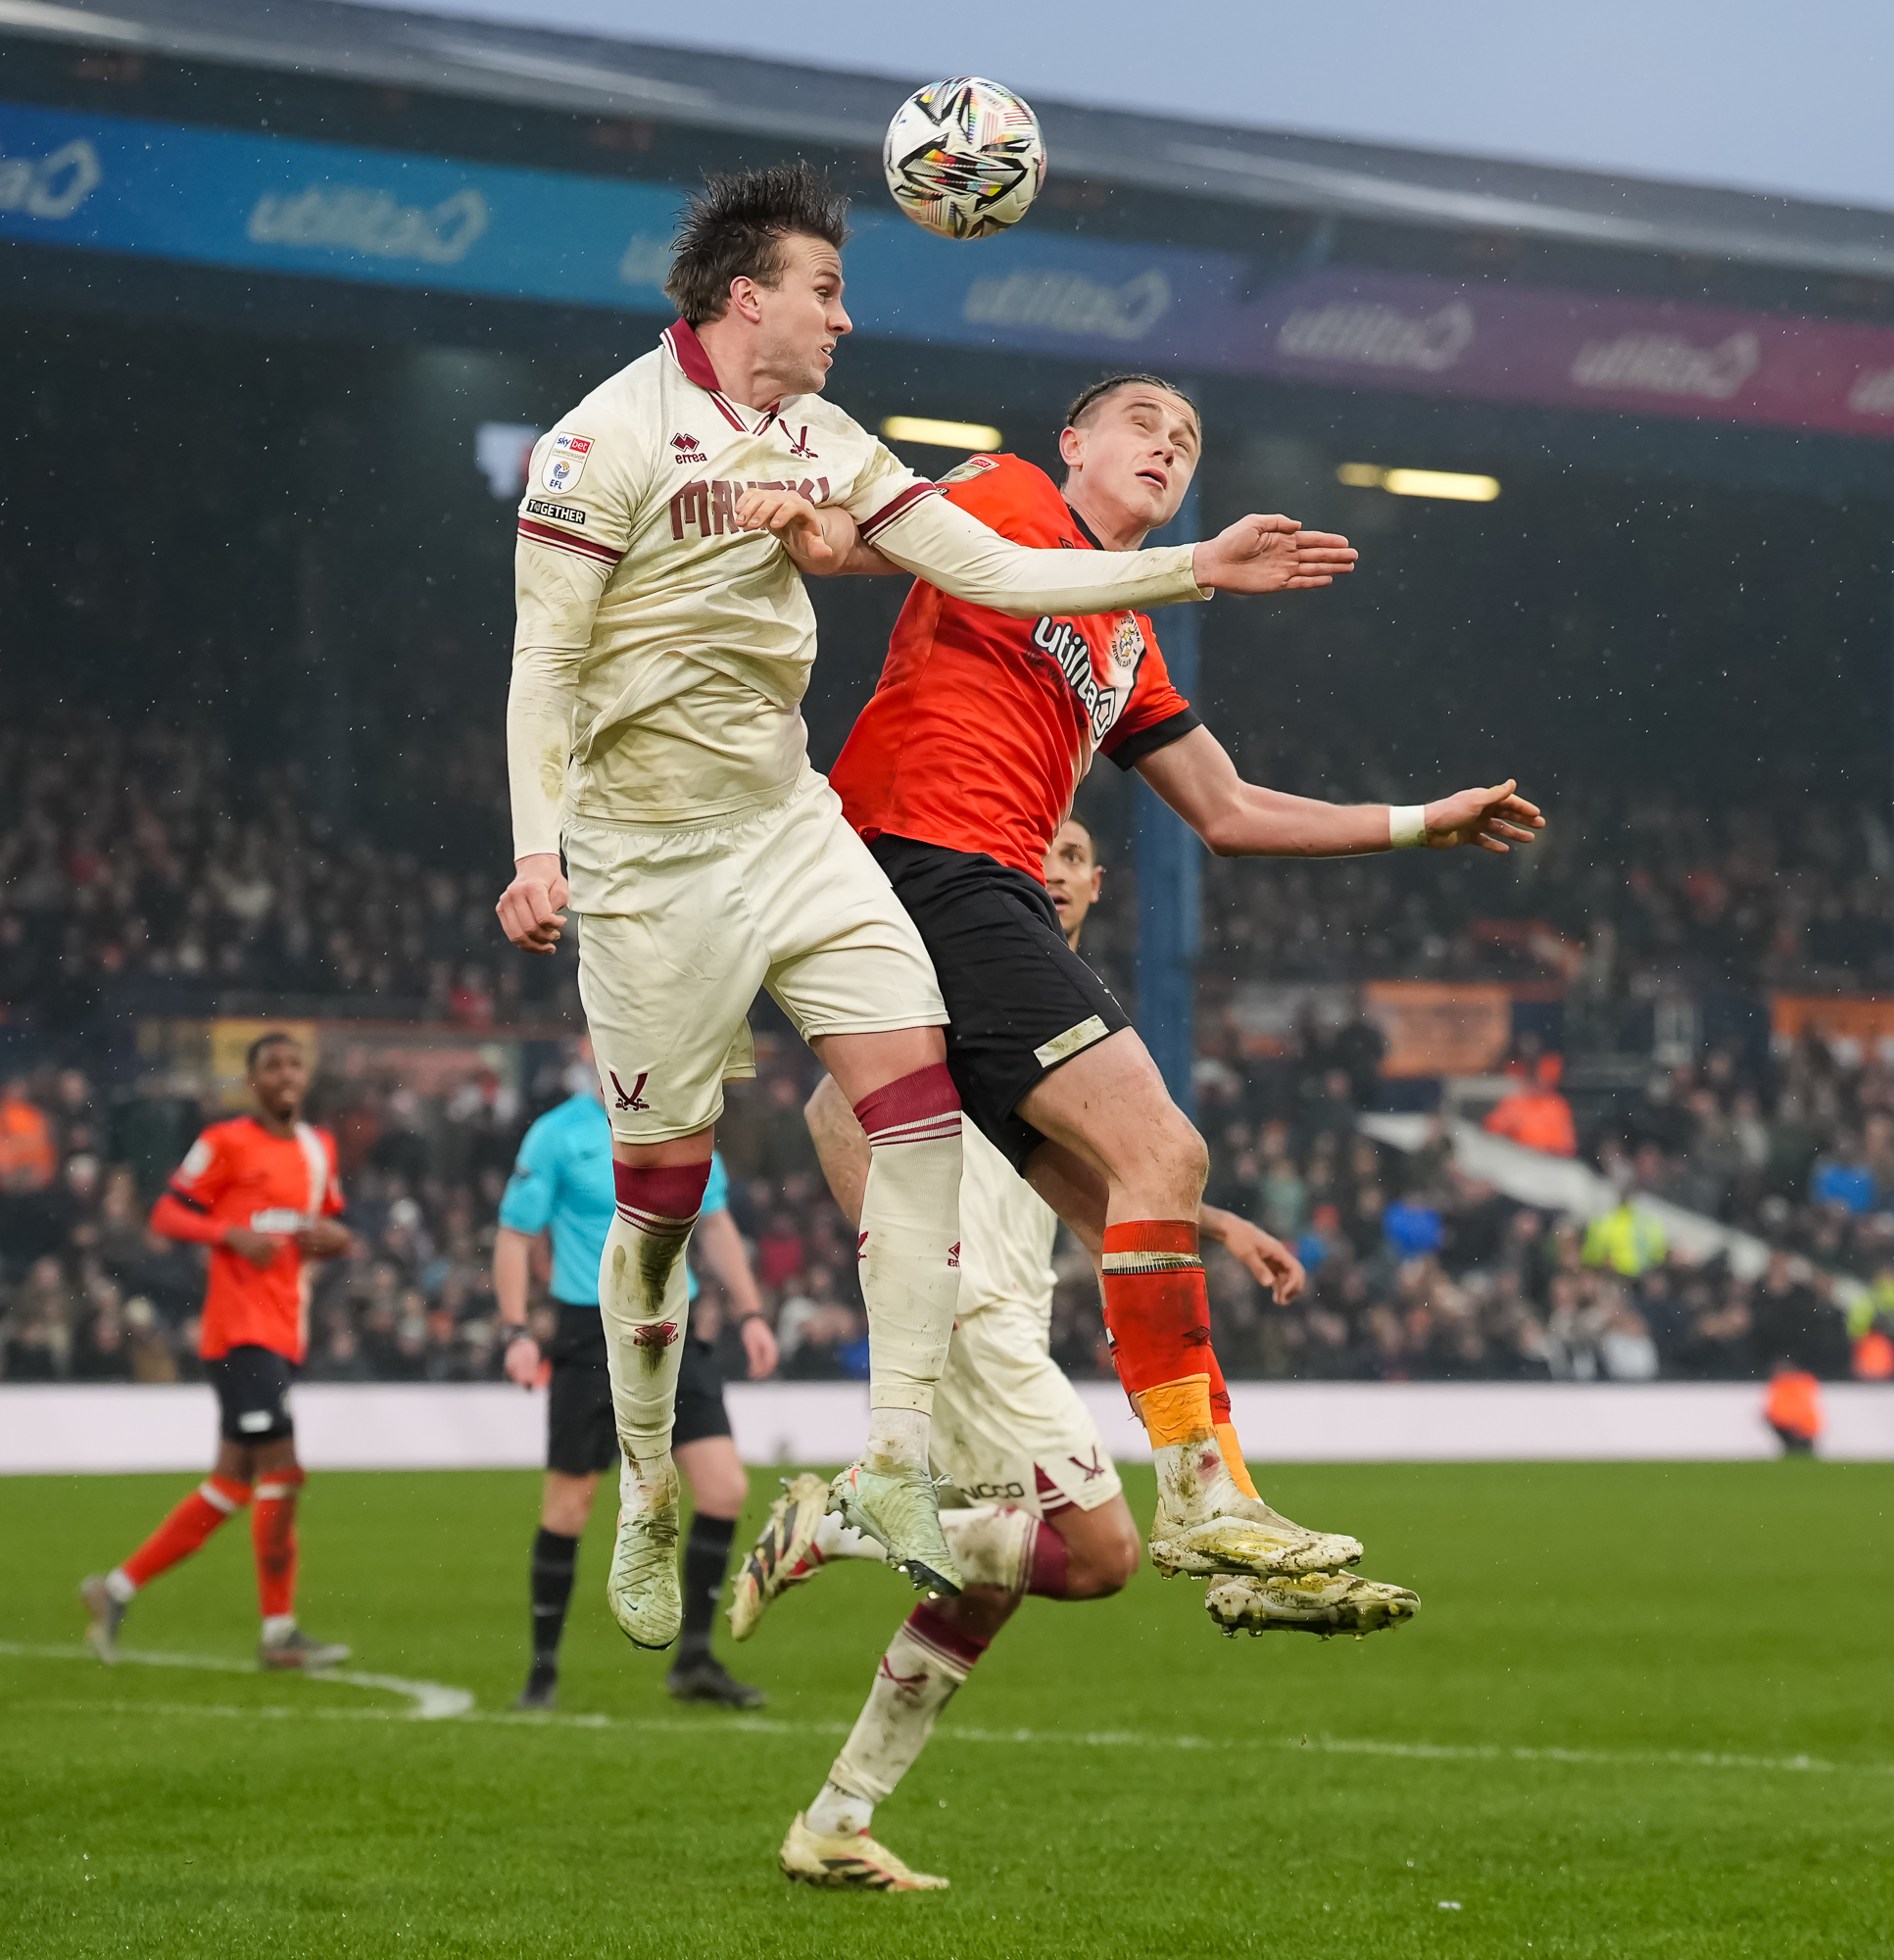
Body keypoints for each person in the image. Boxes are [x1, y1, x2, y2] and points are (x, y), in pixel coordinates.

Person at [491, 163, 1356, 1650]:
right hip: (645, 862)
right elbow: (539, 663)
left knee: (908, 1106)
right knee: (657, 1212)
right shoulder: (597, 444)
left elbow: (994, 567)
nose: (847, 315)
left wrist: (1190, 576)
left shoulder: (828, 436)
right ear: (744, 295)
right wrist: (538, 846)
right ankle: (644, 1479)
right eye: (826, 288)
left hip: (793, 818)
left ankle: (890, 1464)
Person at [739, 370, 1534, 1584]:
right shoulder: (1005, 491)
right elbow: (875, 543)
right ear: (1073, 441)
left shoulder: (1127, 631)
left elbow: (1229, 807)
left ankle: (1194, 1498)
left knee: (1129, 1196)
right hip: (929, 860)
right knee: (1165, 1148)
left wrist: (1425, 819)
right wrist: (819, 533)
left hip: (971, 890)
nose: (1169, 446)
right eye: (1144, 423)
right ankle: (1201, 1495)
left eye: (1190, 438)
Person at [739, 819, 1420, 1892]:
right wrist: (913, 1273)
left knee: (984, 1587)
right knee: (1098, 1551)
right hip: (970, 1316)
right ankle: (843, 1519)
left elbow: (1106, 1186)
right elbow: (833, 1105)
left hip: (1010, 1315)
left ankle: (836, 1816)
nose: (1052, 872)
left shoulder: (1051, 1004)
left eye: (1071, 857)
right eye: (1037, 852)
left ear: (1098, 882)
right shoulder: (949, 980)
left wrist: (1221, 1225)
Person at [493, 1040, 783, 1710]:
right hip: (589, 1332)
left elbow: (714, 1225)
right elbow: (515, 1234)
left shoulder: (686, 1121)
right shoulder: (558, 1135)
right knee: (570, 1506)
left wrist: (751, 1314)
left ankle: (696, 1661)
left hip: (673, 1330)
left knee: (725, 1489)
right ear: (588, 1048)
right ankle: (541, 1675)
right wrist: (514, 1330)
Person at [79, 1032, 354, 1670]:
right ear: (252, 1081)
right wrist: (228, 1233)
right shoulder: (225, 1142)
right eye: (272, 1065)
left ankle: (113, 1590)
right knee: (282, 1472)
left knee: (233, 1483)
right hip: (238, 1333)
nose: (286, 1074)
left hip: (284, 1331)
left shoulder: (319, 1149)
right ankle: (280, 1634)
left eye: (294, 1063)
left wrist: (333, 1237)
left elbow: (333, 1228)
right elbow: (168, 1216)